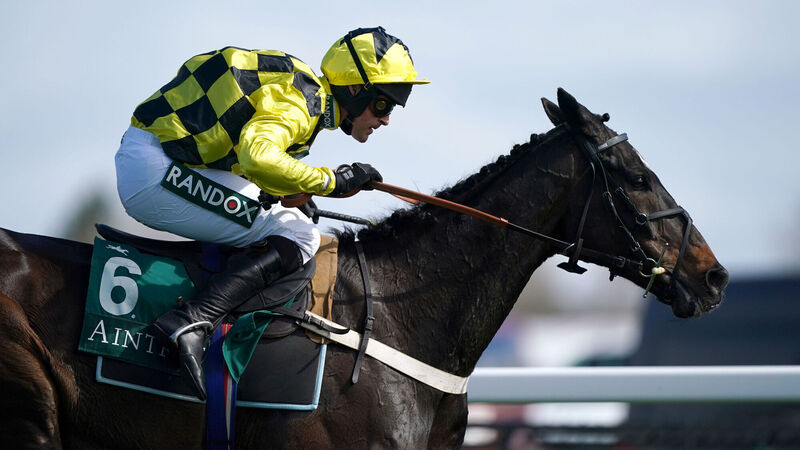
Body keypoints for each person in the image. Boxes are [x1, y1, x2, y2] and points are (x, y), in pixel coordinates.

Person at [114, 26, 429, 399]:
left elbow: (248, 154)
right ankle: (193, 320)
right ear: (355, 89)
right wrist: (331, 180)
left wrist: (288, 190)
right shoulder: (301, 102)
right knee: (301, 236)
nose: (386, 119)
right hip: (155, 170)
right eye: (383, 105)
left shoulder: (306, 93)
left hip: (169, 159)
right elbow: (257, 156)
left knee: (297, 225)